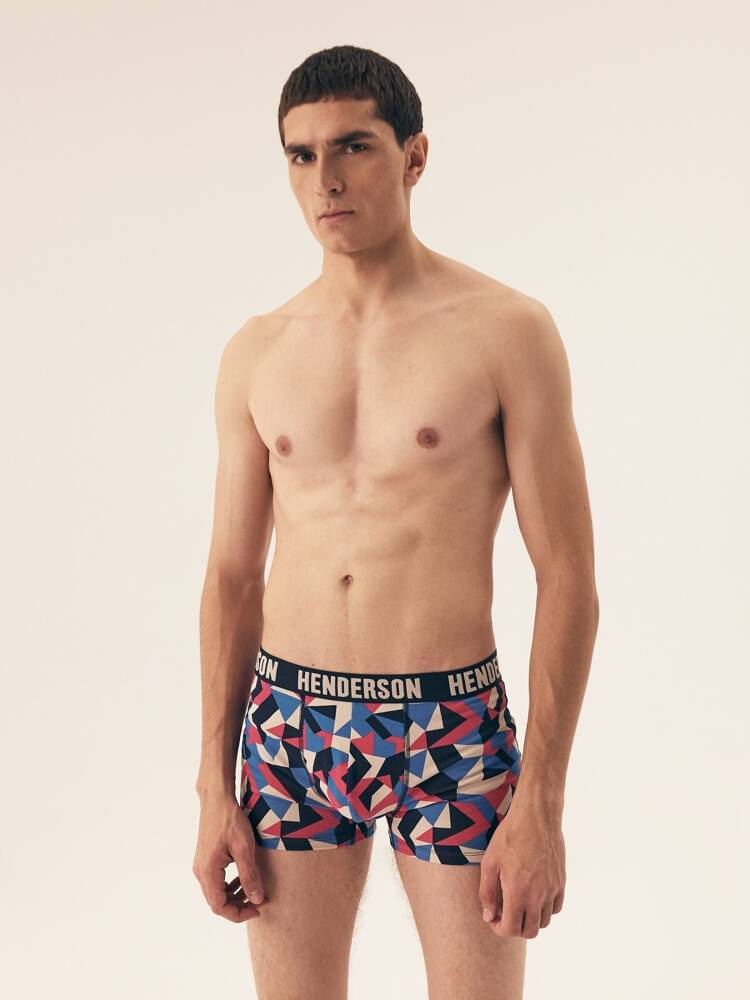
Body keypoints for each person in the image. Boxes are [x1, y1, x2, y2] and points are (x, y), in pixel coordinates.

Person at [193, 43, 599, 1000]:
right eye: (301, 155)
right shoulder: (257, 351)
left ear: (414, 157)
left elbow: (569, 576)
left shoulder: (506, 331)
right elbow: (231, 578)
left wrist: (542, 799)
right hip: (291, 730)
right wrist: (212, 782)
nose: (324, 179)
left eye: (353, 146)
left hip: (449, 729)